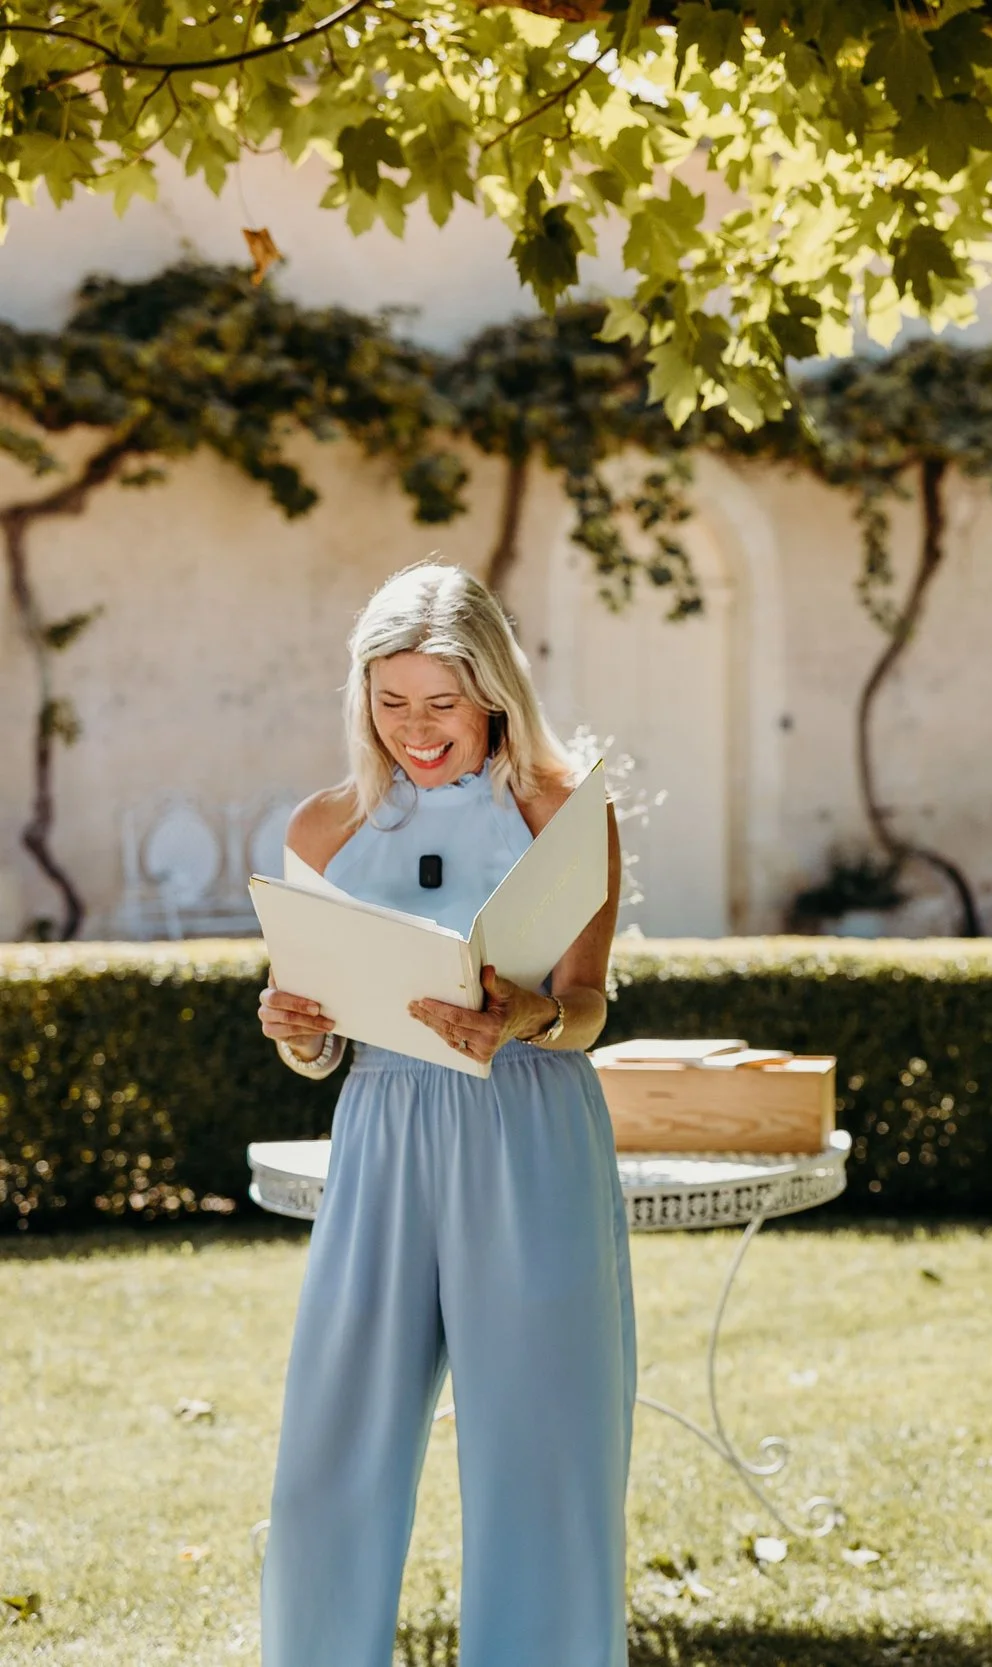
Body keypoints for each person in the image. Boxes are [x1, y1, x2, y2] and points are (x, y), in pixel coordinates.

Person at [254, 562, 634, 1667]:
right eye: (391, 700)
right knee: (333, 1444)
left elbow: (588, 1007)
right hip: (381, 1131)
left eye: (443, 701)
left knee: (543, 1446)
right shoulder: (324, 828)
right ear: (361, 696)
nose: (417, 729)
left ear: (495, 693)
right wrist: (296, 1029)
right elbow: (318, 1043)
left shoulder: (565, 812)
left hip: (529, 1128)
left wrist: (523, 1018)